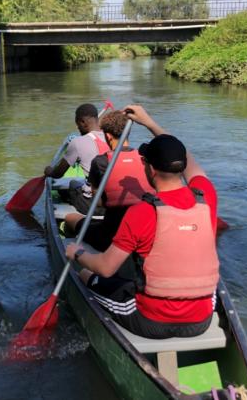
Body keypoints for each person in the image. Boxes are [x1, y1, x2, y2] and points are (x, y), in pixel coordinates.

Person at [65, 105, 220, 339]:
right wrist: (149, 122)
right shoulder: (206, 196)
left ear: (150, 168)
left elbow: (106, 267)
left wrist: (76, 254)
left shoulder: (142, 212)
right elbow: (186, 156)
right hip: (202, 320)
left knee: (87, 274)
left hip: (152, 322)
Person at [64, 110, 155, 252]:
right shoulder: (146, 158)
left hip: (110, 235)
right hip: (144, 230)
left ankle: (75, 253)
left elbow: (98, 202)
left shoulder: (100, 161)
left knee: (70, 218)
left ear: (107, 136)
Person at [44, 103, 109, 214]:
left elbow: (58, 174)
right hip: (113, 201)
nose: (77, 128)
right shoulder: (112, 137)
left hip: (94, 206)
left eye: (77, 124)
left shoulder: (77, 142)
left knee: (73, 184)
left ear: (83, 122)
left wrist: (49, 171)